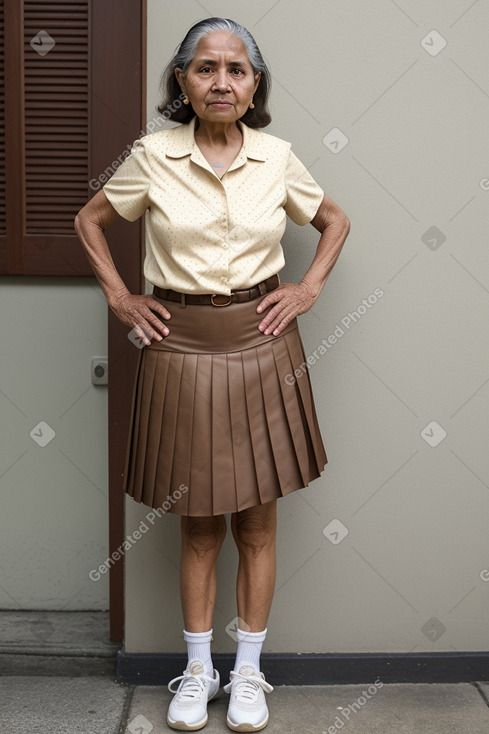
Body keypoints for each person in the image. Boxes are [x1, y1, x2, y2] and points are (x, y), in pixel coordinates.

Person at [75, 17, 350, 733]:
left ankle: (248, 673)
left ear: (254, 83)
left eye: (235, 69)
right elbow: (91, 220)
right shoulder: (152, 156)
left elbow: (334, 220)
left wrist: (307, 289)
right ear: (181, 81)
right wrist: (120, 296)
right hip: (179, 348)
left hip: (262, 349)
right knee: (198, 526)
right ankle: (198, 672)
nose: (220, 81)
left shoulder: (277, 157)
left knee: (257, 524)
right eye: (204, 68)